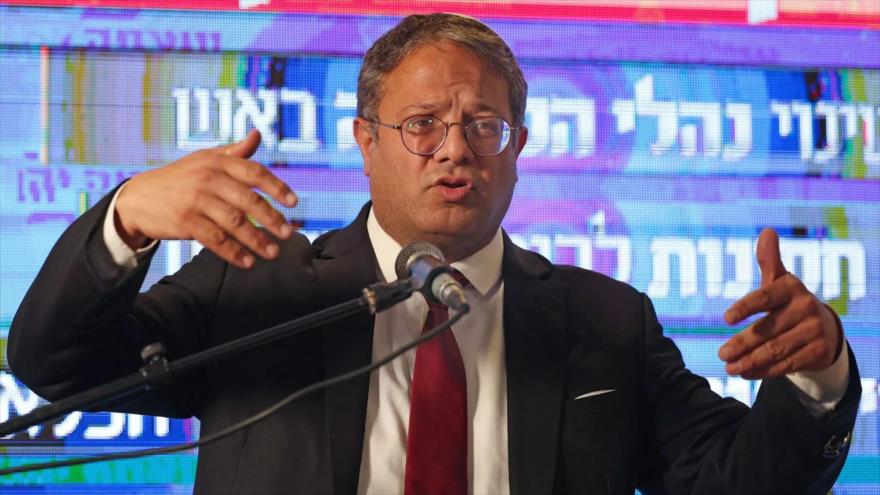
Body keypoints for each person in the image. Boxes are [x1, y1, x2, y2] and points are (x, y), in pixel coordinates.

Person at [8, 13, 860, 495]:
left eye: (482, 126)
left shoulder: (606, 322)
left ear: (519, 146)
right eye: (422, 125)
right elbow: (59, 364)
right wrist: (127, 219)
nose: (455, 150)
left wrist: (818, 375)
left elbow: (742, 485)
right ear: (366, 143)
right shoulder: (258, 287)